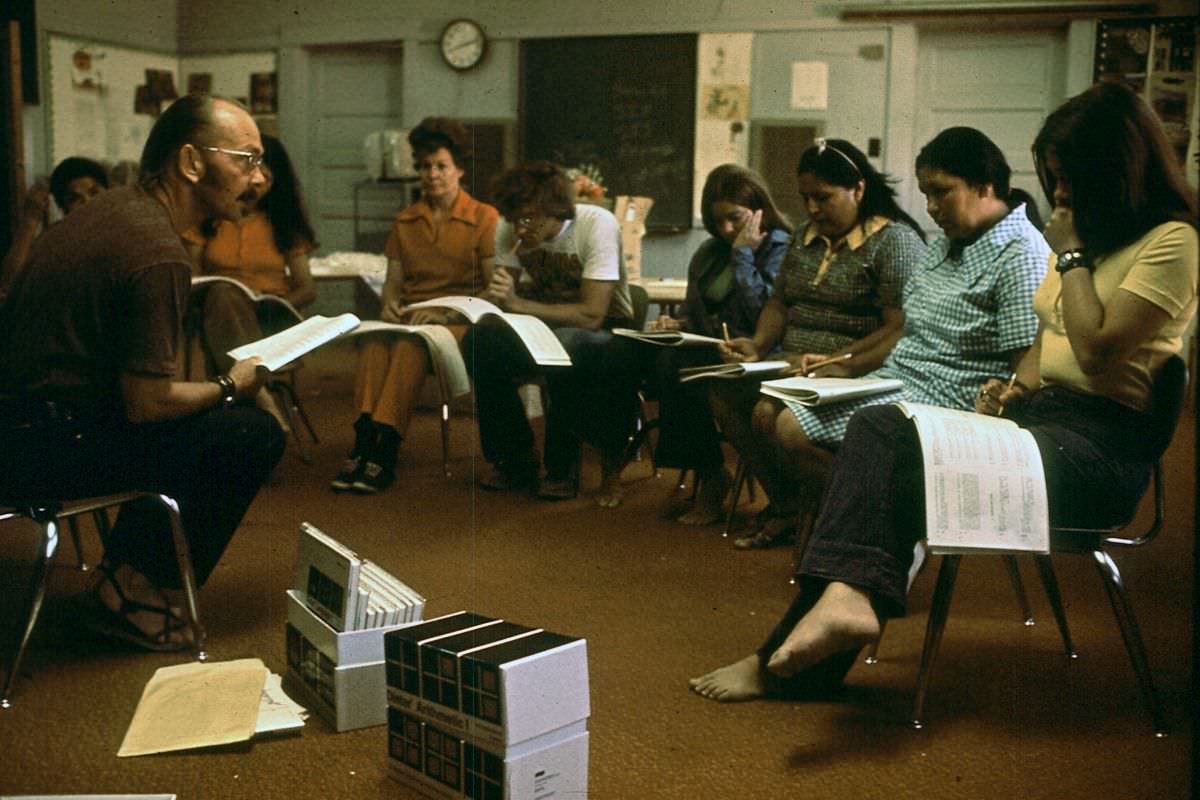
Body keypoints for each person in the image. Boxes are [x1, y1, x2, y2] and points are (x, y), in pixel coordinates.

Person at [689, 82, 1197, 704]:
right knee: (883, 425)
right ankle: (844, 604)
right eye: (1053, 177)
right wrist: (1014, 390)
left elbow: (1096, 348)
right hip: (1044, 423)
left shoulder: (1173, 242)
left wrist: (1072, 257)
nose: (1058, 193)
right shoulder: (1090, 242)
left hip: (1099, 453)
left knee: (892, 454)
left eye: (1068, 178)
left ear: (1116, 171)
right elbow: (1049, 341)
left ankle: (786, 653)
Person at [0, 94, 286, 652]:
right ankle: (127, 590)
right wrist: (233, 385)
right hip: (41, 450)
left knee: (215, 423)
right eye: (245, 159)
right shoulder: (157, 250)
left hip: (20, 430)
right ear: (191, 164)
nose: (256, 179)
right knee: (251, 433)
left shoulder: (107, 212)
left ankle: (124, 576)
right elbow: (147, 405)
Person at [712, 138, 929, 547]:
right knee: (723, 390)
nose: (812, 209)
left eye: (823, 198)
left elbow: (899, 327)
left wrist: (839, 360)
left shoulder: (894, 241)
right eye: (805, 198)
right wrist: (757, 345)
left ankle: (835, 515)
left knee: (767, 412)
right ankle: (789, 505)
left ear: (859, 190)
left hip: (857, 367)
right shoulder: (804, 237)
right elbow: (779, 302)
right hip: (796, 363)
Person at [605, 164, 792, 518]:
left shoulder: (782, 248)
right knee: (629, 355)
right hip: (708, 347)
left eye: (735, 218)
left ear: (758, 211)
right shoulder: (708, 253)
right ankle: (616, 465)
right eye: (716, 220)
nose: (726, 229)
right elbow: (694, 310)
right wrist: (674, 321)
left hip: (758, 353)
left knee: (678, 369)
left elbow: (764, 316)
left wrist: (743, 254)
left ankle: (711, 480)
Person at [331, 117, 499, 493]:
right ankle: (363, 442)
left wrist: (445, 313)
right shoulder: (405, 221)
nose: (431, 174)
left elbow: (493, 292)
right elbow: (392, 285)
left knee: (410, 344)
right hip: (414, 316)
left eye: (440, 166)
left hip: (459, 320)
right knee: (374, 341)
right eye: (424, 166)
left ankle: (386, 449)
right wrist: (390, 305)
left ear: (459, 169)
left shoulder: (484, 218)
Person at [464, 161, 634, 501]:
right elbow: (502, 299)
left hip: (606, 331)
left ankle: (562, 468)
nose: (519, 228)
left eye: (528, 218)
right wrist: (470, 305)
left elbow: (591, 315)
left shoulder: (596, 224)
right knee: (479, 341)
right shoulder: (510, 227)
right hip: (543, 325)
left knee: (565, 345)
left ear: (554, 210)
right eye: (513, 218)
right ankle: (514, 458)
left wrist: (518, 304)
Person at [183, 133, 318, 377]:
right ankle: (259, 393)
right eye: (250, 174)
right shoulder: (208, 219)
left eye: (265, 175)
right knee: (224, 296)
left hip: (269, 317)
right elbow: (193, 278)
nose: (256, 182)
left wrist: (271, 308)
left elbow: (306, 289)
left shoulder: (284, 225)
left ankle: (245, 386)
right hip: (216, 310)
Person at [0, 156, 109, 297]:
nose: (87, 202)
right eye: (74, 198)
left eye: (94, 192)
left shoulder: (127, 230)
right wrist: (31, 221)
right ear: (64, 209)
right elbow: (8, 285)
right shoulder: (57, 242)